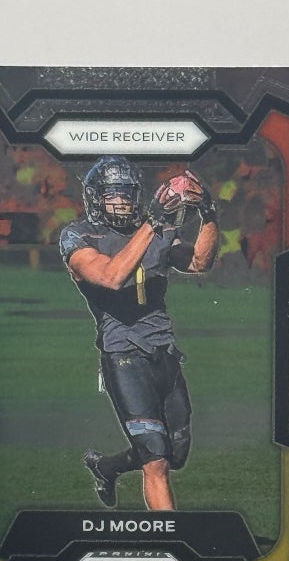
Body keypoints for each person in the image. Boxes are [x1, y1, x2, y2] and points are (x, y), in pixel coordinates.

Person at [59, 156, 219, 511]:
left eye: (126, 194)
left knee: (175, 453)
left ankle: (107, 467)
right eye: (112, 195)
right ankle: (171, 535)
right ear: (95, 198)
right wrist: (152, 223)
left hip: (165, 351)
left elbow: (199, 262)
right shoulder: (79, 235)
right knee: (156, 461)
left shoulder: (155, 228)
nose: (121, 201)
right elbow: (111, 277)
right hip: (124, 355)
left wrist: (208, 214)